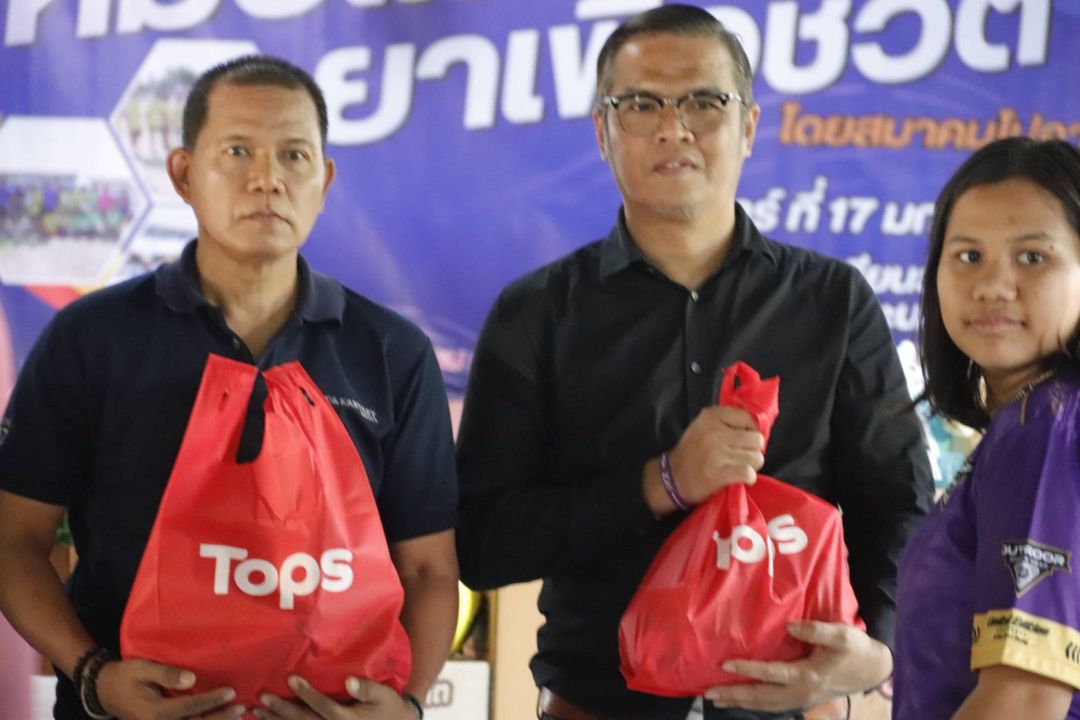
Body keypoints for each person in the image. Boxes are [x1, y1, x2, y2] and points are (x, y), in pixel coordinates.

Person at [455, 5, 933, 719]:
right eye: (641, 104)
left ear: (748, 126)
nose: (673, 128)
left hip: (792, 708)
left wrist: (881, 647)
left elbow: (897, 503)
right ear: (602, 132)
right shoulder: (537, 314)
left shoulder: (833, 301)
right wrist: (662, 482)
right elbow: (484, 542)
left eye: (704, 102)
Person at [0, 55, 459, 720]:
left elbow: (427, 569)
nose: (267, 178)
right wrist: (95, 676)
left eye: (294, 155)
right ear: (184, 175)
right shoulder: (92, 337)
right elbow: (14, 538)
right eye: (238, 151)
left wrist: (408, 705)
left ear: (324, 180)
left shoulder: (391, 352)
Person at [894, 137, 1080, 718]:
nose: (993, 286)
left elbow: (1025, 699)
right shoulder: (1029, 423)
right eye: (969, 256)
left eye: (1033, 257)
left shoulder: (1044, 425)